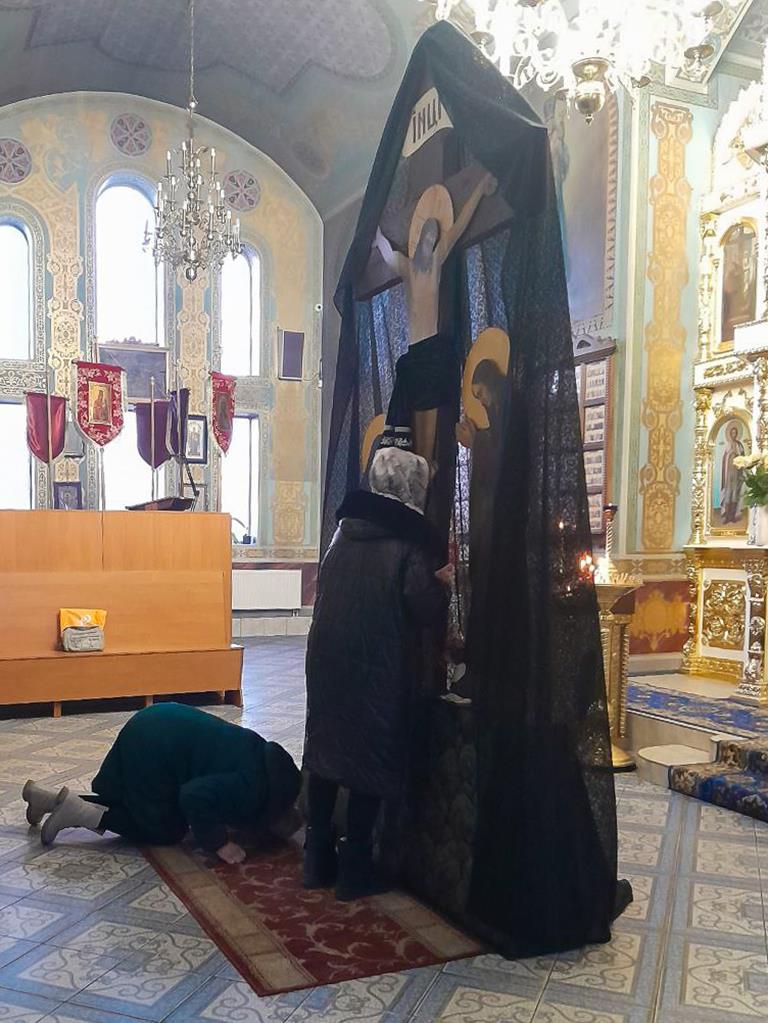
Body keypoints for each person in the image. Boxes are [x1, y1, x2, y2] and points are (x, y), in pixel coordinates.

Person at [303, 446, 452, 901]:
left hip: (327, 657)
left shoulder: (344, 532)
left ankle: (315, 860)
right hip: (377, 661)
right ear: (414, 488)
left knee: (327, 753)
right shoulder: (409, 541)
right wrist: (444, 585)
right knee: (367, 758)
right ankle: (355, 871)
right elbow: (422, 608)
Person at [22, 703, 301, 863]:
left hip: (155, 722)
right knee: (165, 830)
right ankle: (82, 814)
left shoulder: (260, 754)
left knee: (137, 803)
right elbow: (193, 796)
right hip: (153, 746)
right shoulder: (252, 788)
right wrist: (219, 844)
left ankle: (49, 799)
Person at [374, 172, 496, 461]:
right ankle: (417, 467)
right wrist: (375, 233)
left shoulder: (436, 261)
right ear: (417, 240)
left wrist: (480, 187)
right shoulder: (407, 268)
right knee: (412, 423)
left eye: (432, 237)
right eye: (425, 236)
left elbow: (460, 225)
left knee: (427, 424)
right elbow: (387, 254)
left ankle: (426, 465)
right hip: (414, 353)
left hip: (432, 349)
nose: (428, 241)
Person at [720, 423, 746, 525]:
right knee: (728, 493)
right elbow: (725, 459)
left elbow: (743, 458)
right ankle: (727, 515)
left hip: (737, 473)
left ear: (737, 434)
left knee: (735, 493)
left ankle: (733, 515)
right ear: (730, 434)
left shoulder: (739, 445)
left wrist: (737, 454)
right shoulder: (727, 445)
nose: (734, 435)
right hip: (729, 473)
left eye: (735, 433)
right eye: (732, 433)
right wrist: (730, 453)